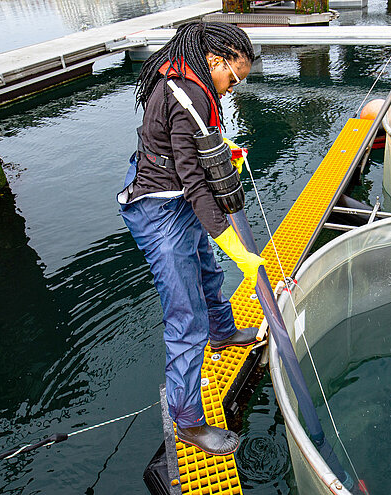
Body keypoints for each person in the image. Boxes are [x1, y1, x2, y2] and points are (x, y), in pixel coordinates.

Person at [117, 22, 264, 456]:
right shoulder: (187, 94)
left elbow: (187, 145)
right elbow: (195, 182)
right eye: (234, 79)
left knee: (207, 270)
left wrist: (226, 148)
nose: (233, 89)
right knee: (186, 322)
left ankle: (223, 334)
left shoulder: (190, 76)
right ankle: (187, 422)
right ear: (216, 59)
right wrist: (236, 247)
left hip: (176, 197)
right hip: (160, 209)